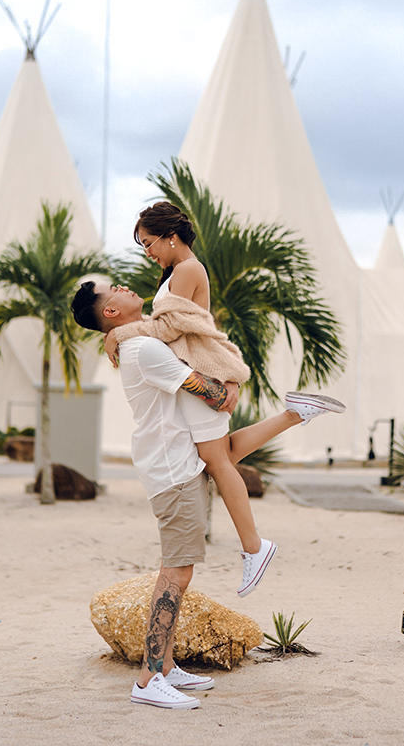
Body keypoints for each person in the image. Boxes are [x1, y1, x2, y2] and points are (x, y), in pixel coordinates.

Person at [71, 281, 338, 710]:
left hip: (179, 459)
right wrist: (228, 385)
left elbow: (222, 436)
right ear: (111, 314)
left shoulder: (137, 342)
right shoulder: (144, 351)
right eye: (112, 289)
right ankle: (148, 678)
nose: (122, 285)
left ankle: (165, 665)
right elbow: (213, 395)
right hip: (173, 472)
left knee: (223, 458)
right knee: (176, 574)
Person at [103, 201, 345, 597]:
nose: (148, 252)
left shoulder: (187, 270)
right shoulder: (177, 272)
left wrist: (120, 333)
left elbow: (166, 329)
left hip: (201, 372)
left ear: (171, 236)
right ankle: (296, 413)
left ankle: (254, 546)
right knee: (224, 453)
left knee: (217, 461)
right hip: (200, 370)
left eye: (149, 243)